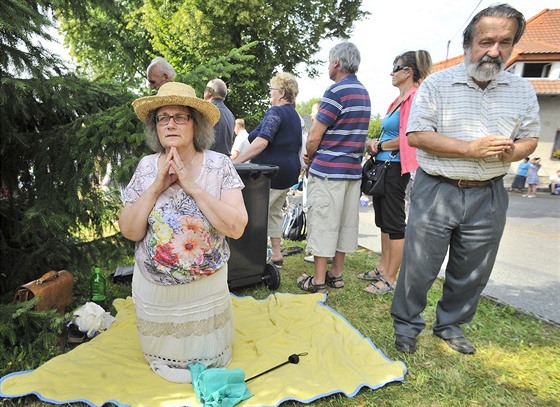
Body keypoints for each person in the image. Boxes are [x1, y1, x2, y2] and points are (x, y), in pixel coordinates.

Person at [390, 4, 540, 355]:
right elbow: (417, 135)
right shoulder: (437, 85)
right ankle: (407, 325)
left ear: (514, 44)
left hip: (488, 192)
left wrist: (513, 152)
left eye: (504, 42)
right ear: (468, 43)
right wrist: (469, 149)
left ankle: (450, 325)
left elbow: (531, 138)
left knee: (473, 267)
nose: (494, 50)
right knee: (419, 264)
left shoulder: (522, 91)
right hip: (437, 187)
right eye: (486, 41)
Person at [119, 82, 248, 383]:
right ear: (155, 127)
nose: (170, 124)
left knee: (210, 354)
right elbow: (130, 230)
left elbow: (237, 227)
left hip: (205, 290)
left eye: (180, 117)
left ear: (196, 124)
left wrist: (191, 185)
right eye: (163, 117)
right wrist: (156, 187)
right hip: (155, 290)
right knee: (163, 356)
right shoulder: (146, 167)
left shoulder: (219, 166)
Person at [297, 41, 371, 293]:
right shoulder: (363, 92)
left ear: (337, 63)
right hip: (352, 171)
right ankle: (336, 275)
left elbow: (314, 137)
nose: (328, 66)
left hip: (329, 171)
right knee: (344, 224)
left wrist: (308, 157)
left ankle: (317, 282)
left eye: (329, 61)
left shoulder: (335, 91)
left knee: (324, 223)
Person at [357, 50, 432, 295]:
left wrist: (379, 145)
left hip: (394, 166)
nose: (392, 72)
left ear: (408, 71)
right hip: (383, 164)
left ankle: (390, 278)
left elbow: (410, 137)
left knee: (395, 224)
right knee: (384, 223)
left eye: (395, 67)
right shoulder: (398, 100)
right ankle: (382, 268)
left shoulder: (414, 98)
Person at [233, 72, 302, 267]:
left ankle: (248, 258)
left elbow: (262, 142)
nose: (270, 93)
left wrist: (236, 162)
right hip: (289, 174)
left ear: (281, 93)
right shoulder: (294, 115)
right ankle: (277, 255)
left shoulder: (275, 112)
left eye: (272, 90)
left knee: (254, 214)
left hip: (271, 174)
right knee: (274, 213)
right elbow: (255, 135)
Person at [204, 79, 235, 156]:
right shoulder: (230, 114)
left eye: (206, 89)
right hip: (225, 162)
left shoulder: (206, 111)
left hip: (208, 161)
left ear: (210, 91)